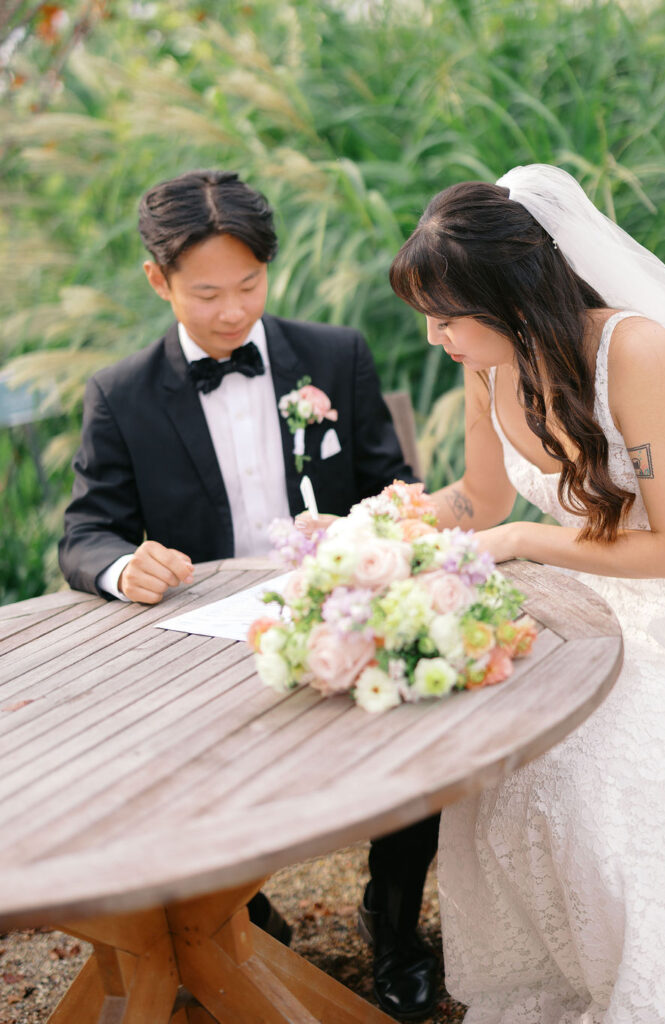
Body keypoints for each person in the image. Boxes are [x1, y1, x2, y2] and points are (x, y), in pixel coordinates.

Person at [387, 164, 665, 1023]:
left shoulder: (634, 349)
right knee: (508, 755)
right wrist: (388, 524)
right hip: (594, 589)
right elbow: (478, 501)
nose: (438, 336)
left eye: (449, 317)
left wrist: (521, 541)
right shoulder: (485, 364)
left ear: (513, 297)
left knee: (607, 767)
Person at [59, 169, 440, 1020]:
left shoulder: (334, 356)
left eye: (249, 286)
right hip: (198, 645)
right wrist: (126, 566)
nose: (233, 311)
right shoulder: (120, 396)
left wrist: (373, 531)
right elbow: (86, 534)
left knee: (419, 716)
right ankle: (235, 916)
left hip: (331, 611)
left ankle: (395, 918)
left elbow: (393, 488)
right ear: (158, 281)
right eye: (206, 293)